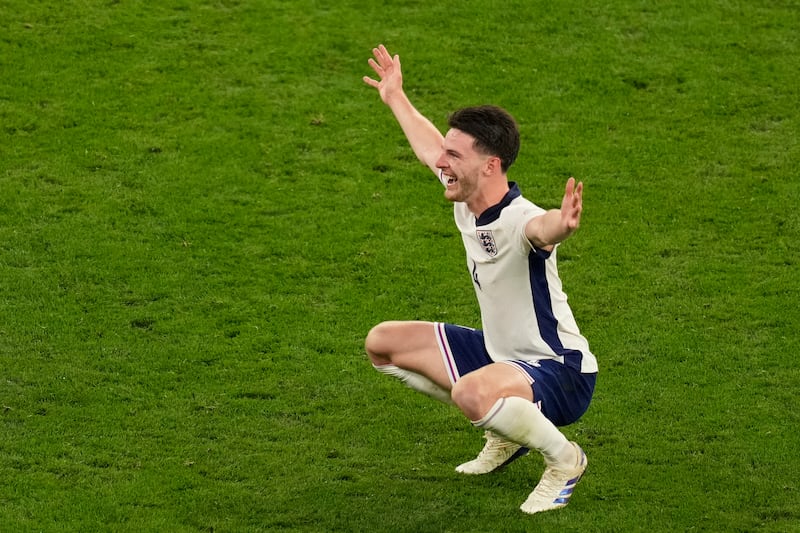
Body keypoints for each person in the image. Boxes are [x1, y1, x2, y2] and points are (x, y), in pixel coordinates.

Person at [362, 44, 598, 515]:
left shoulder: (519, 219)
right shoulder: (464, 195)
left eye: (455, 154)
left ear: (491, 165)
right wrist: (395, 97)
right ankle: (507, 431)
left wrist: (563, 225)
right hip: (499, 353)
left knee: (469, 392)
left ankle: (565, 459)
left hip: (560, 370)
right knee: (382, 343)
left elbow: (541, 229)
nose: (442, 162)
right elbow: (430, 145)